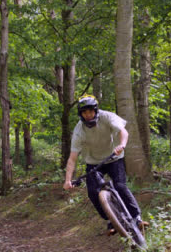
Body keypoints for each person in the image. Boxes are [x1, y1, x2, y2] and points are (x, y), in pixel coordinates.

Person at [63, 95, 149, 235]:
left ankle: (137, 218)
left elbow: (123, 131)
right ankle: (111, 220)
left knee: (120, 186)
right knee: (93, 193)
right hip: (93, 162)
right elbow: (72, 158)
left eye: (90, 111)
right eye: (84, 112)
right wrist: (67, 180)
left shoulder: (107, 117)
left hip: (114, 157)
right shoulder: (79, 131)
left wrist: (122, 144)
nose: (88, 115)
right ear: (81, 114)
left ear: (95, 110)